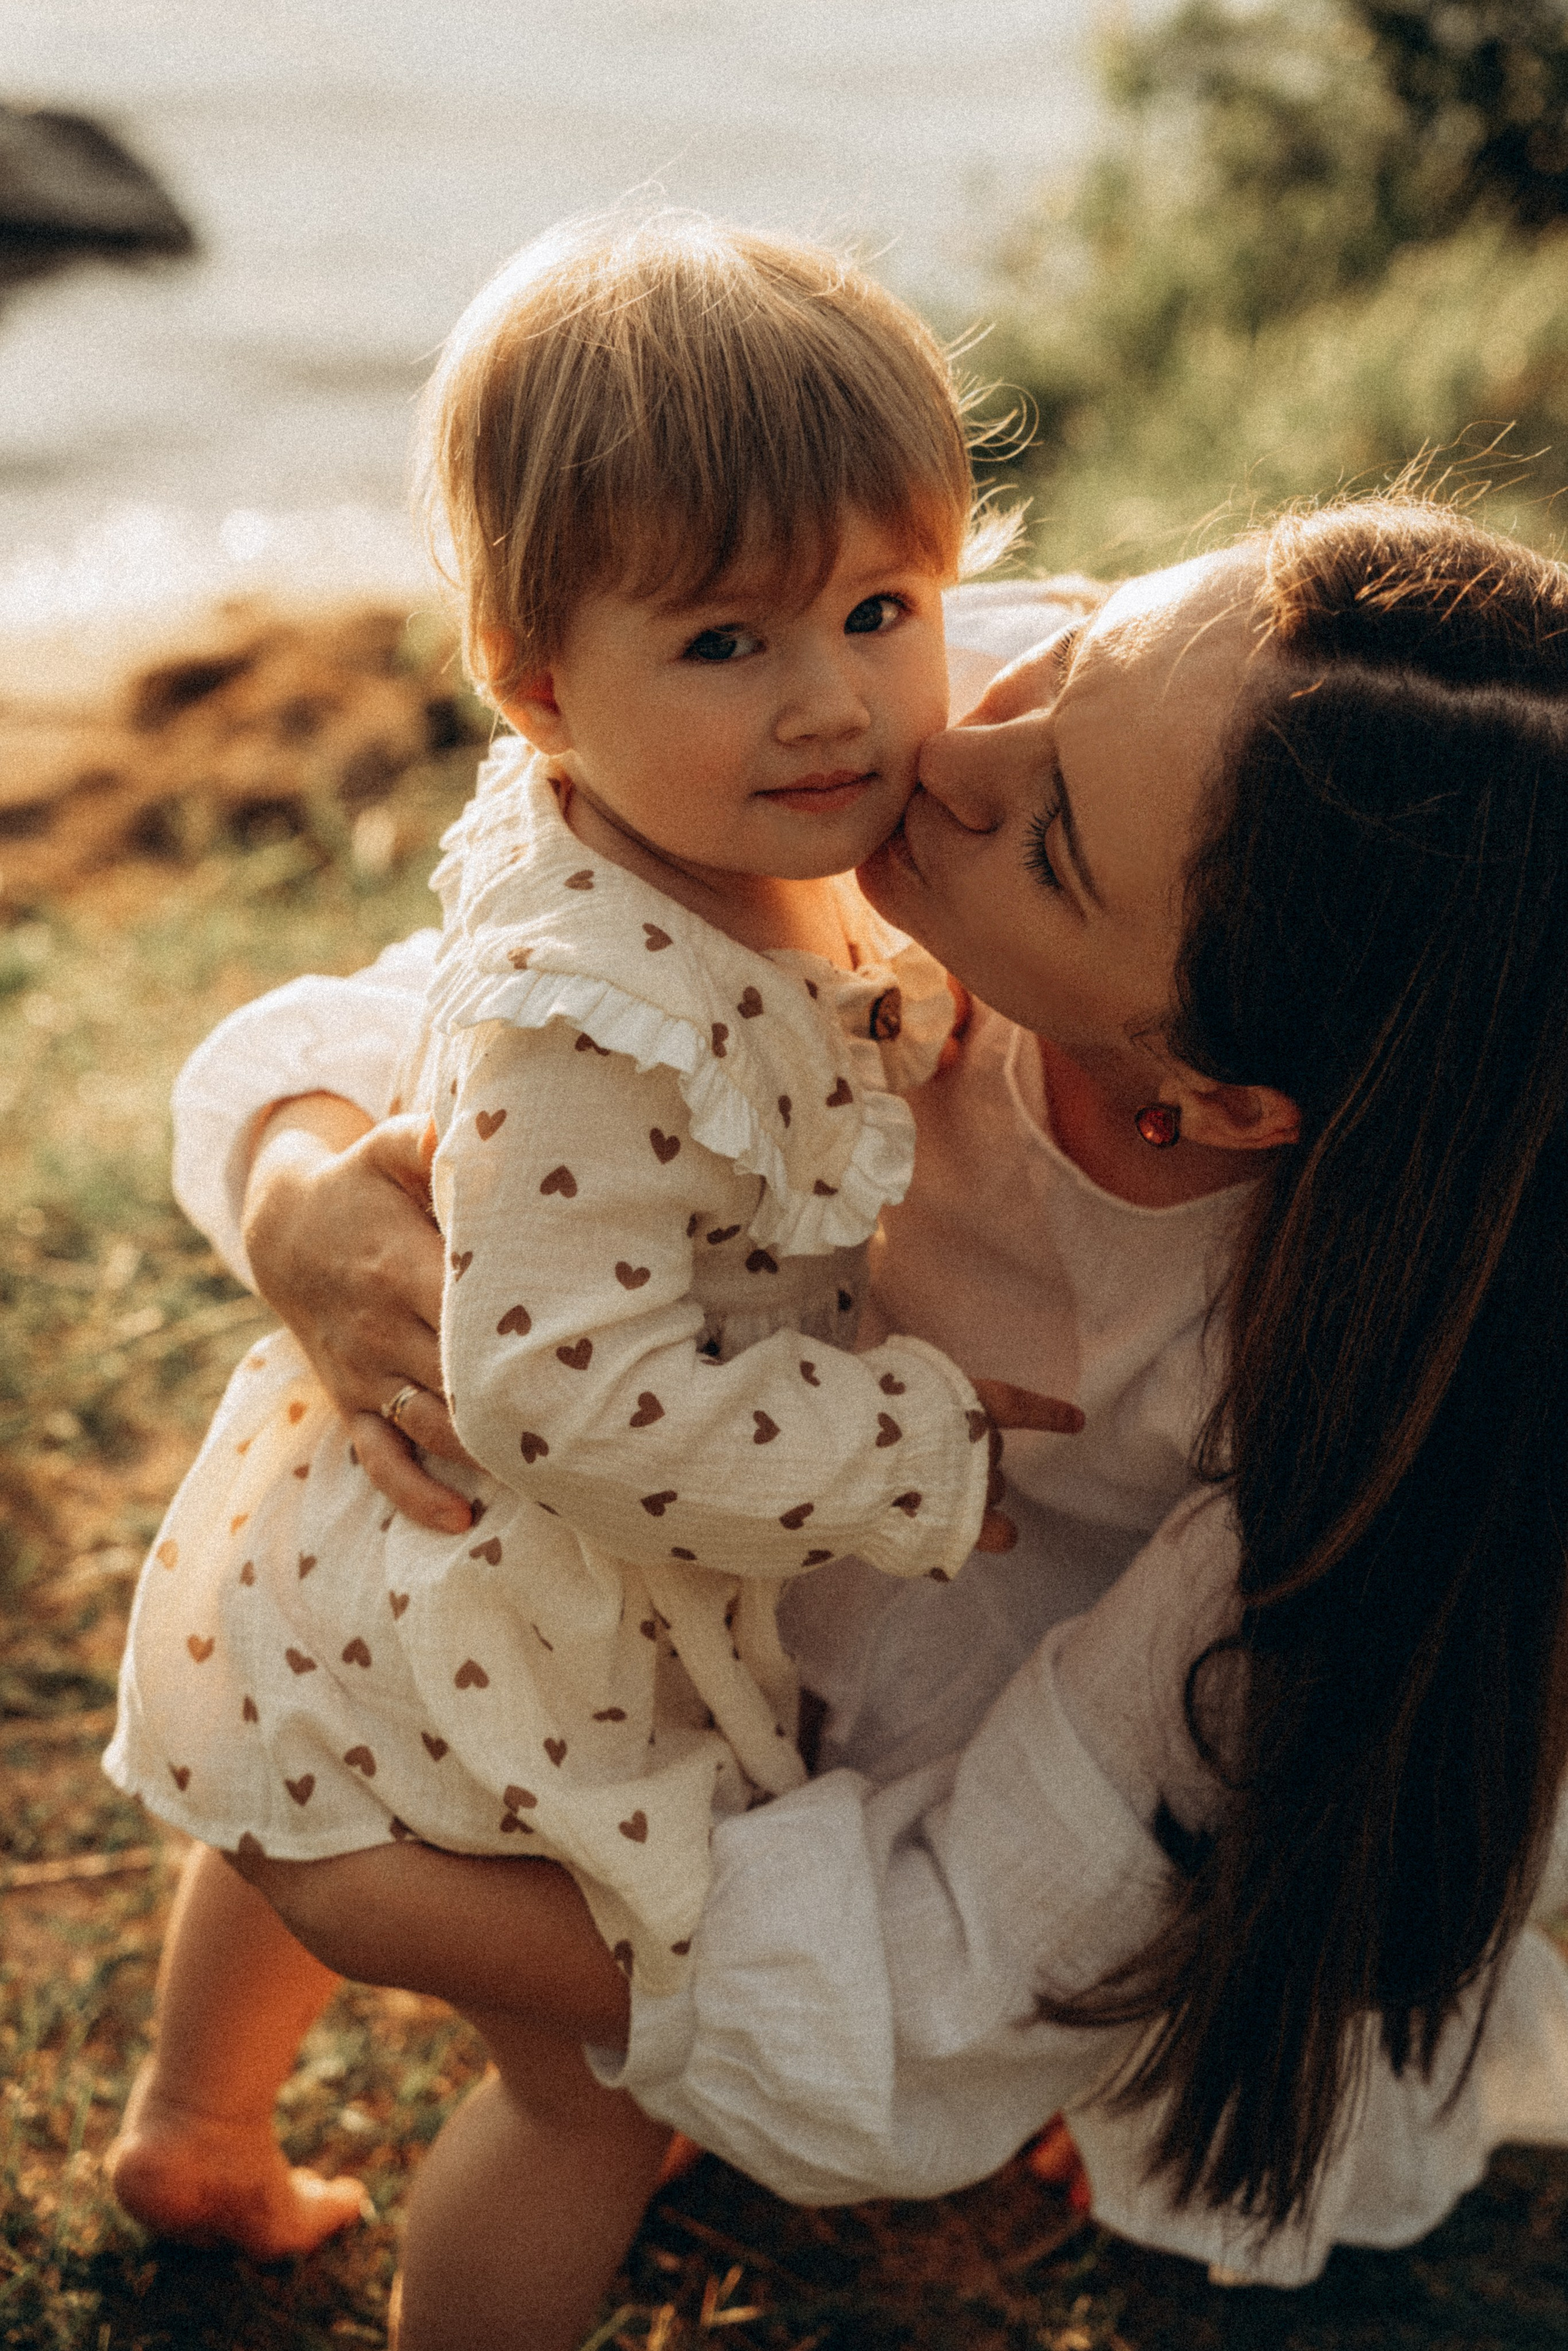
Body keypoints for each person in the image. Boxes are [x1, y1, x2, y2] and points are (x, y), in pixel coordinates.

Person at [124, 492, 1568, 2334]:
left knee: (679, 2073)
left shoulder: (1331, 1427)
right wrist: (301, 1192)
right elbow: (518, 1014)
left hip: (1049, 1670)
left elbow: (957, 1962)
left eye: (1051, 845)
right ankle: (205, 2111)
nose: (954, 754)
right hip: (748, 1504)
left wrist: (432, 1919)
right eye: (1068, 657)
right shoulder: (953, 706)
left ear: (1208, 1104)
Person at [103, 218, 1075, 2341]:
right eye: (727, 643)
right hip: (505, 1616)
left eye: (884, 608)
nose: (835, 700)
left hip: (362, 1605)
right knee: (592, 2090)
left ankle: (194, 2129)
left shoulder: (711, 842)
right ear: (536, 679)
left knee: (296, 1782)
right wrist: (910, 1442)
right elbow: (557, 1392)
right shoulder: (592, 1004)